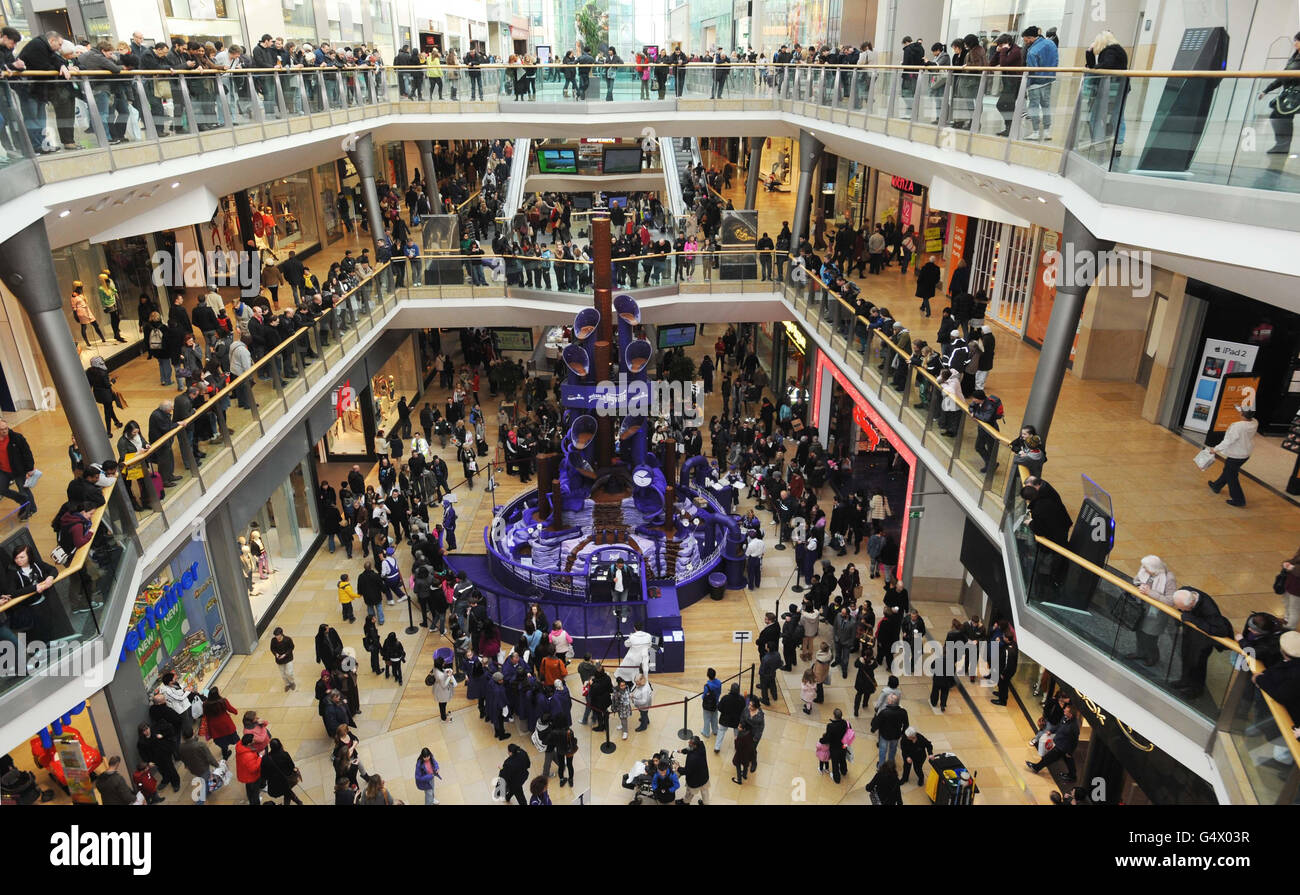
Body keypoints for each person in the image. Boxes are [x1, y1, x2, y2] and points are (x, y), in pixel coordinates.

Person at [1171, 587, 1233, 698]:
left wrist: (1194, 620)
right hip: (1189, 635)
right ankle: (1184, 680)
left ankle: (1196, 690)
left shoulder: (1209, 609)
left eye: (1183, 609)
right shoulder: (1184, 592)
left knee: (1198, 664)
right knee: (1186, 656)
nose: (1181, 610)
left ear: (1192, 604)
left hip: (1203, 643)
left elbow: (1220, 630)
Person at [1129, 556, 1177, 667]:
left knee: (1150, 637)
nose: (1144, 570)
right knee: (1139, 632)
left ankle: (1153, 657)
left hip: (1156, 614)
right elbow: (1136, 580)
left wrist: (1150, 592)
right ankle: (1140, 652)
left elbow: (1170, 601)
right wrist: (1140, 586)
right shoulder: (1145, 569)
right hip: (1142, 608)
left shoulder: (1169, 578)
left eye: (1146, 568)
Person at [1207, 406, 1258, 507]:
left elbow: (1228, 441)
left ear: (1242, 414)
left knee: (1232, 476)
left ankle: (1238, 499)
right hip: (1245, 453)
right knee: (1228, 470)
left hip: (1236, 454)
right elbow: (1248, 414)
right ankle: (1217, 485)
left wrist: (1215, 449)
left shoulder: (1238, 426)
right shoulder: (1254, 422)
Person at [1026, 703, 1079, 781]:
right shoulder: (1065, 718)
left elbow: (1074, 741)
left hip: (1062, 747)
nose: (1064, 710)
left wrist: (1070, 752)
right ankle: (1072, 775)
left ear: (1070, 714)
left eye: (1066, 711)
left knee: (1049, 757)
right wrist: (1051, 731)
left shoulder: (1074, 727)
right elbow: (1059, 726)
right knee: (1068, 760)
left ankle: (1036, 767)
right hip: (1059, 742)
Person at [0, 418, 39, 521]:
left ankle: (31, 509)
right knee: (2, 489)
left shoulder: (17, 438)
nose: (4, 431)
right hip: (4, 471)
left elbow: (27, 453)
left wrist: (30, 468)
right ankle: (22, 500)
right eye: (1, 429)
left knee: (24, 489)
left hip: (18, 470)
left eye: (6, 428)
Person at [870, 691, 908, 769]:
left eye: (888, 699)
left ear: (890, 702)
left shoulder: (884, 713)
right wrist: (902, 733)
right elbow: (906, 724)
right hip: (896, 735)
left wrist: (873, 729)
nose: (887, 700)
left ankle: (881, 767)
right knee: (892, 751)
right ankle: (890, 766)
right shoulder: (903, 712)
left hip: (885, 735)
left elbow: (877, 723)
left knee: (883, 751)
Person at [260, 739, 303, 805]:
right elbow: (291, 767)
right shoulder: (284, 754)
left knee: (287, 791)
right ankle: (298, 801)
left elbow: (263, 774)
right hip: (285, 780)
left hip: (274, 784)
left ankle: (298, 801)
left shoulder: (266, 758)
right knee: (287, 790)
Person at [821, 708, 850, 783]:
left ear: (834, 716)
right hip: (844, 746)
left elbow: (827, 738)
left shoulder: (830, 726)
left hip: (835, 748)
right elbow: (849, 733)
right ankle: (844, 771)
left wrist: (821, 740)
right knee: (842, 759)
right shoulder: (846, 723)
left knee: (835, 763)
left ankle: (837, 779)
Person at [234, 732, 264, 805]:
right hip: (252, 777)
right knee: (255, 792)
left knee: (249, 788)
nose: (254, 741)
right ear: (248, 744)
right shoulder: (248, 756)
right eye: (253, 740)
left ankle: (250, 799)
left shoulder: (240, 746)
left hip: (245, 774)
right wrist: (260, 756)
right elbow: (253, 768)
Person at [715, 682, 744, 752]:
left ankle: (717, 747)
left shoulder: (725, 698)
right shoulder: (741, 699)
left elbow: (719, 708)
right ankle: (737, 747)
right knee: (737, 735)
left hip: (725, 720)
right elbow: (743, 710)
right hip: (736, 721)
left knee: (721, 732)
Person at [269, 626, 296, 691]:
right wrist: (276, 654)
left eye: (277, 635)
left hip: (288, 658)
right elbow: (272, 648)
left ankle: (292, 682)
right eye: (275, 635)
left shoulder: (288, 639)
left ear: (281, 634)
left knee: (289, 672)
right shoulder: (273, 640)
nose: (276, 637)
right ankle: (287, 684)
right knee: (283, 674)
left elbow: (291, 647)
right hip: (279, 660)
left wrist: (285, 654)